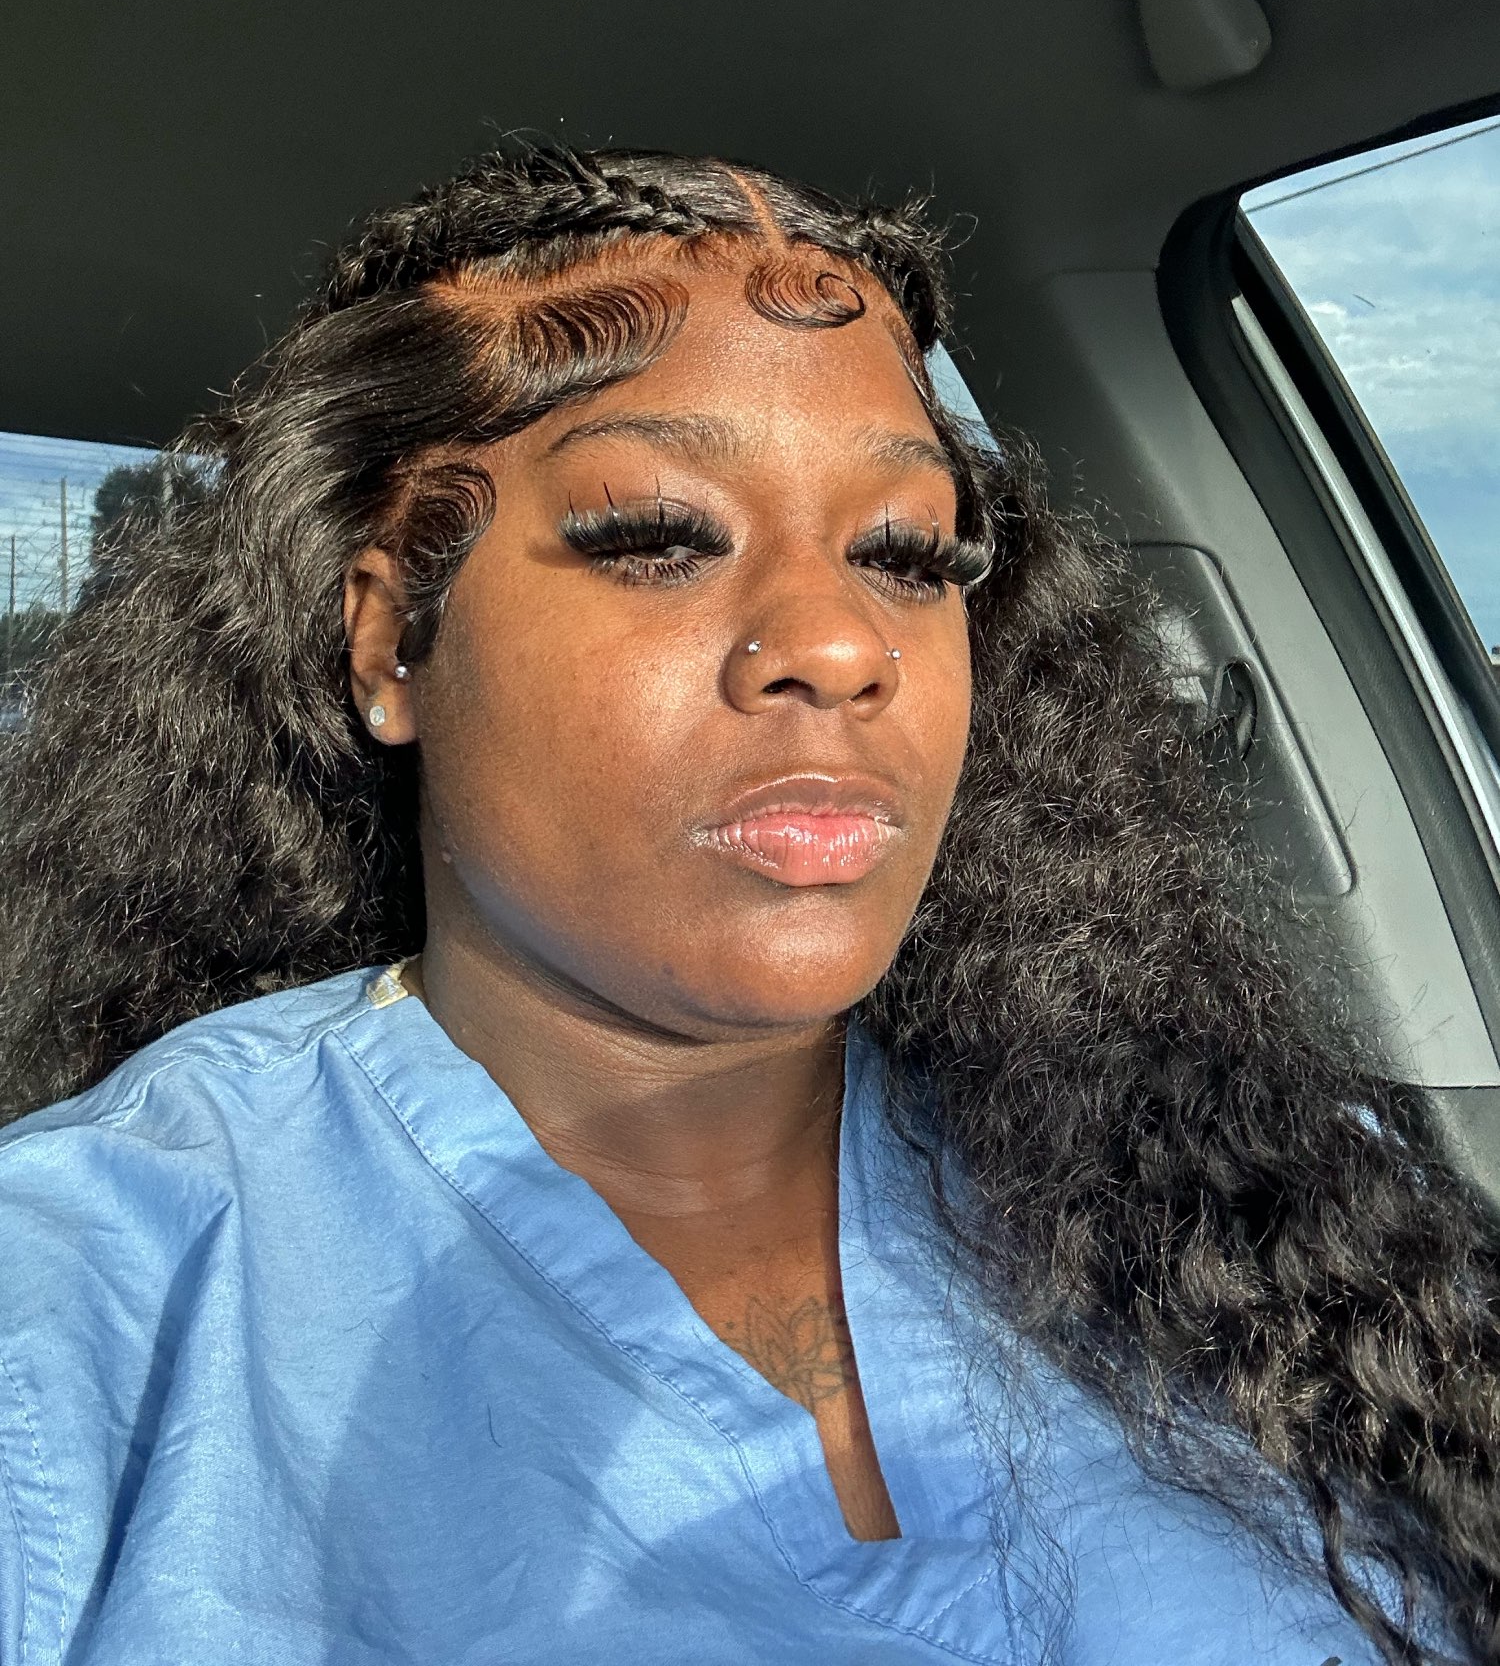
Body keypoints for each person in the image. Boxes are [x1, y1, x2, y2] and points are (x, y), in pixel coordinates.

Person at [0, 145, 1493, 1665]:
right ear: (392, 645)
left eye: (907, 555)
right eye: (657, 538)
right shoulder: (74, 1306)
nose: (840, 646)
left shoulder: (1250, 1184)